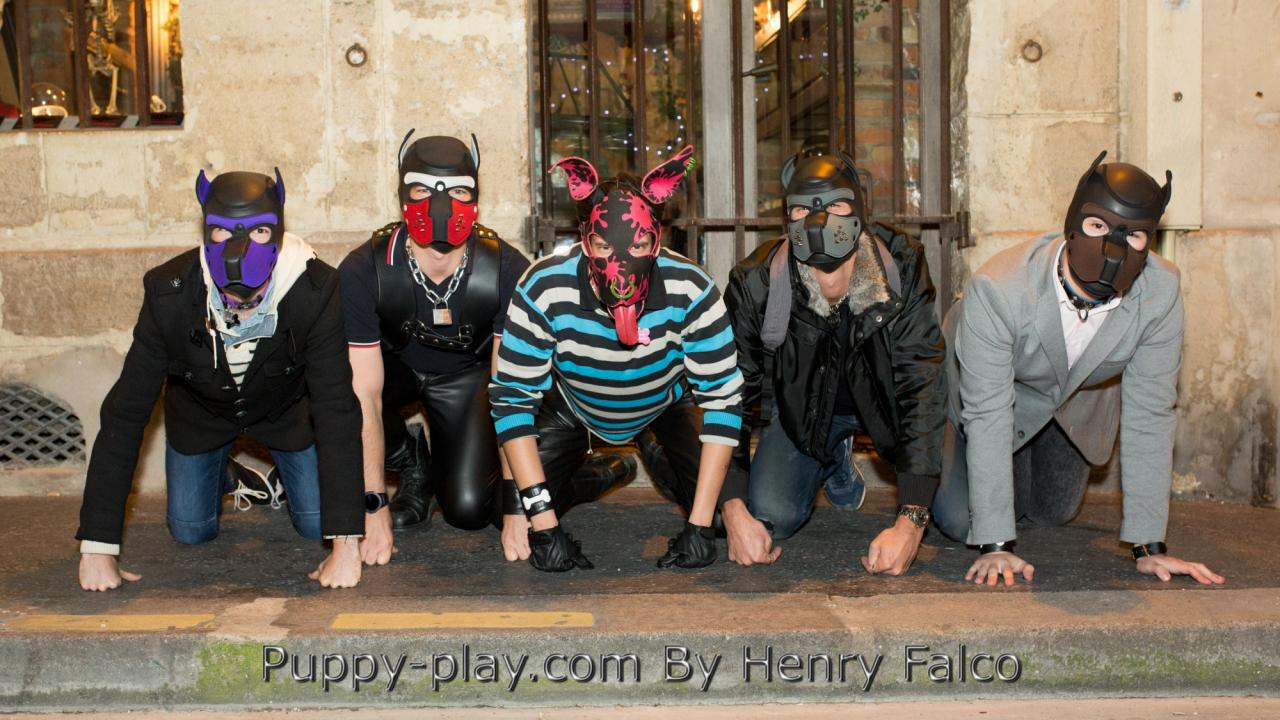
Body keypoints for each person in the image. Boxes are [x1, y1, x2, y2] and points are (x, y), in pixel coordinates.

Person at [932, 151, 1226, 588]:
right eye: (1097, 227)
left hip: (1076, 395)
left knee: (1054, 512)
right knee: (963, 521)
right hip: (985, 398)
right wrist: (995, 545)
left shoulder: (1160, 292)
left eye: (1134, 236)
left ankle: (1023, 461)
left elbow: (1150, 412)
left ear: (1150, 242)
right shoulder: (998, 290)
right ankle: (985, 469)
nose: (1113, 248)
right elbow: (988, 411)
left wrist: (1149, 546)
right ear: (1073, 224)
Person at [338, 131, 629, 564]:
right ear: (402, 196)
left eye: (458, 190)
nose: (441, 205)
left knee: (472, 509)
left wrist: (515, 507)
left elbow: (511, 389)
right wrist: (373, 506)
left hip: (468, 378)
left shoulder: (505, 268)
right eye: (423, 190)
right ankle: (410, 458)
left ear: (475, 197)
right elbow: (362, 393)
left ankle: (592, 474)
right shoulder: (365, 268)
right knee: (331, 387)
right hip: (393, 365)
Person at [76, 167, 365, 591]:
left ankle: (283, 478)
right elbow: (125, 413)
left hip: (284, 413)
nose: (239, 249)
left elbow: (337, 407)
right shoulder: (168, 292)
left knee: (316, 523)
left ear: (276, 234)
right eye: (223, 232)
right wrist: (97, 547)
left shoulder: (316, 289)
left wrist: (346, 543)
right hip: (202, 415)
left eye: (259, 232)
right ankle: (225, 472)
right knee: (191, 530)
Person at [489, 146, 744, 572]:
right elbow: (512, 398)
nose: (621, 264)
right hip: (575, 407)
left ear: (656, 238)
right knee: (507, 509)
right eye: (604, 245)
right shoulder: (543, 285)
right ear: (585, 239)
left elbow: (723, 399)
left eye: (638, 243)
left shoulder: (692, 287)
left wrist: (699, 526)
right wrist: (543, 525)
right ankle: (602, 473)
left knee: (719, 515)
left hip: (664, 403)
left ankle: (654, 450)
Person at [720, 151, 947, 573]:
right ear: (787, 219)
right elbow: (728, 395)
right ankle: (834, 456)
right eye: (802, 209)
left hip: (887, 409)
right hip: (806, 414)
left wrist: (912, 520)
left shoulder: (901, 264)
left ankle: (852, 455)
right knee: (771, 516)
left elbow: (922, 380)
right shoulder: (757, 282)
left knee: (956, 517)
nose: (818, 222)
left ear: (859, 212)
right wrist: (731, 506)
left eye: (835, 205)